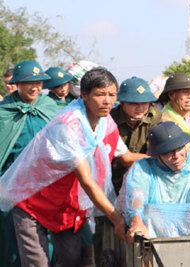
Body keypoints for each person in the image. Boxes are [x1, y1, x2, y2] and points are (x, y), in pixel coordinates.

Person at [0, 68, 139, 266]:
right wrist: (117, 218)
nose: (107, 101)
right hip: (33, 203)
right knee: (37, 263)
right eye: (100, 94)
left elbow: (127, 157)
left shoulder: (106, 123)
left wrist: (168, 158)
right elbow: (87, 182)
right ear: (84, 95)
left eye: (112, 95)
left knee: (72, 261)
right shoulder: (68, 126)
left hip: (67, 208)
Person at [122, 121, 190, 242]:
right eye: (168, 152)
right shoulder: (143, 169)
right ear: (156, 155)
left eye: (180, 148)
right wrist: (136, 222)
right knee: (150, 212)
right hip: (156, 247)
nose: (176, 156)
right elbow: (136, 198)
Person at [0, 60, 57, 267]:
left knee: (45, 239)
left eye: (39, 83)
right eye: (28, 83)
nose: (35, 88)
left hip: (45, 186)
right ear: (17, 84)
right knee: (10, 239)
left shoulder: (49, 107)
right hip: (12, 187)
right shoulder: (4, 112)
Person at [111, 76, 161, 194]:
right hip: (112, 180)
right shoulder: (110, 120)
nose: (140, 108)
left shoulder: (155, 118)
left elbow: (156, 153)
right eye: (133, 103)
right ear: (122, 103)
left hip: (144, 179)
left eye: (144, 103)